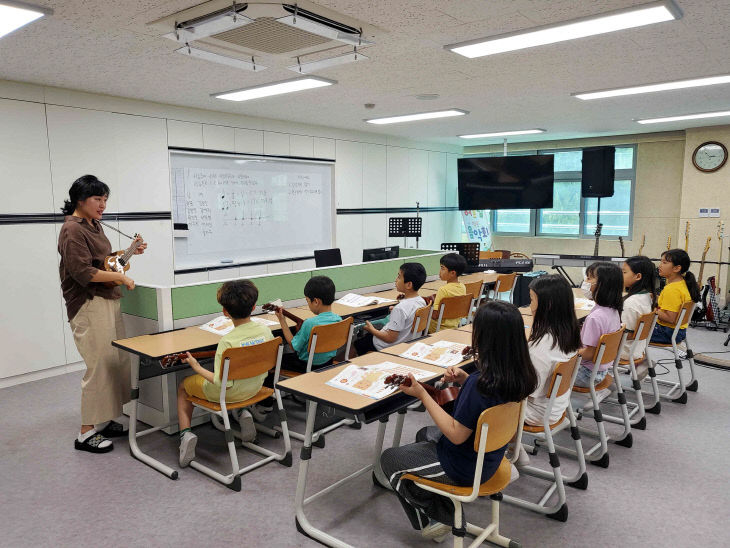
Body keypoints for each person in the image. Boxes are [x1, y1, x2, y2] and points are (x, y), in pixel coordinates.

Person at [380, 301, 538, 540]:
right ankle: (443, 506)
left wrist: (423, 394)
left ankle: (438, 518)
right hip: (492, 457)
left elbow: (455, 435)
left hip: (466, 468)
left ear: (485, 338)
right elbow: (487, 403)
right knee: (425, 434)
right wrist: (465, 380)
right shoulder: (520, 374)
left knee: (390, 459)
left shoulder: (479, 383)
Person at [58, 174, 147, 453]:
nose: (103, 204)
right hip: (88, 303)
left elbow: (108, 263)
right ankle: (85, 433)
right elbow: (83, 272)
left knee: (114, 362)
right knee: (98, 366)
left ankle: (104, 419)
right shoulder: (72, 229)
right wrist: (121, 279)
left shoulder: (93, 225)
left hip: (106, 298)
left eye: (105, 199)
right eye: (97, 199)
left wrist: (131, 252)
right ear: (80, 200)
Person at [177, 280, 273, 467]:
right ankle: (244, 413)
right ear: (254, 307)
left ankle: (185, 435)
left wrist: (196, 366)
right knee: (241, 374)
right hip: (255, 390)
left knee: (183, 387)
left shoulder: (227, 342)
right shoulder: (265, 331)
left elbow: (221, 383)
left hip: (228, 394)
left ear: (225, 312)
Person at [523, 275, 582, 427]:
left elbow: (526, 389)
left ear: (547, 304)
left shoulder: (541, 346)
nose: (530, 306)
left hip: (535, 411)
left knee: (478, 395)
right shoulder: (568, 332)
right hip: (556, 405)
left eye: (531, 299)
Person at [354, 262, 427, 355]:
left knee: (357, 343)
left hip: (386, 346)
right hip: (407, 343)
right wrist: (398, 310)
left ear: (409, 285)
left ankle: (342, 365)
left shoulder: (400, 309)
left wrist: (372, 329)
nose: (396, 280)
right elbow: (408, 313)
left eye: (399, 277)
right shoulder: (421, 301)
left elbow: (390, 338)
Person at [274, 275, 342, 372]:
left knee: (276, 359)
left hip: (306, 366)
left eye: (307, 301)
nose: (308, 304)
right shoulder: (338, 319)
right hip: (327, 362)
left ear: (316, 301)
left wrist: (282, 321)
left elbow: (293, 346)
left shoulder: (310, 323)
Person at [574, 262, 623, 390]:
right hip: (601, 370)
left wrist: (567, 353)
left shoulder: (595, 318)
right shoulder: (613, 310)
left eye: (589, 278)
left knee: (545, 369)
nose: (585, 281)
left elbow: (589, 354)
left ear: (602, 284)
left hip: (586, 374)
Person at [650, 249, 701, 345]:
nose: (660, 265)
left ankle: (633, 357)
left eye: (664, 262)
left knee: (630, 330)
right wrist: (655, 297)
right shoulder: (682, 284)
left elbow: (670, 318)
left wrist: (651, 308)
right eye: (660, 262)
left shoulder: (672, 289)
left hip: (666, 333)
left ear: (677, 268)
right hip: (679, 331)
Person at [620, 256, 658, 360]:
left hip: (624, 350)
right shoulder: (648, 296)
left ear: (638, 276)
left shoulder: (631, 303)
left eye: (624, 272)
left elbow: (625, 335)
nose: (621, 275)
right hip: (637, 348)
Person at [428, 253, 468, 333]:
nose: (439, 271)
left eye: (442, 268)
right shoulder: (462, 287)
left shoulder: (443, 290)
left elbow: (435, 315)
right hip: (454, 326)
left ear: (452, 273)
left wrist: (427, 308)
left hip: (437, 329)